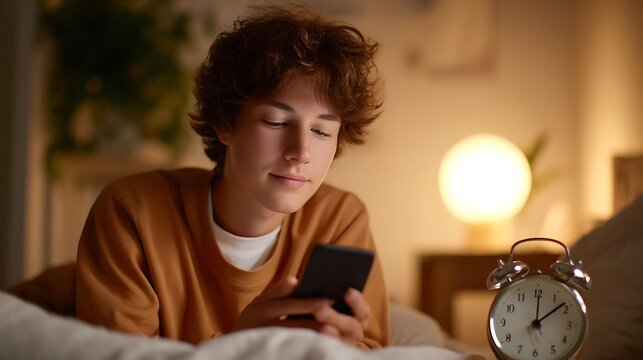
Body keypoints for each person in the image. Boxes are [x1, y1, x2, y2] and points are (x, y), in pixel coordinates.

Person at [74, 4, 390, 349]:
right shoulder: (132, 211)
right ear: (225, 123)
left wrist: (343, 348)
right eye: (275, 122)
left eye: (322, 131)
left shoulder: (340, 218)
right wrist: (239, 346)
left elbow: (371, 350)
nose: (301, 152)